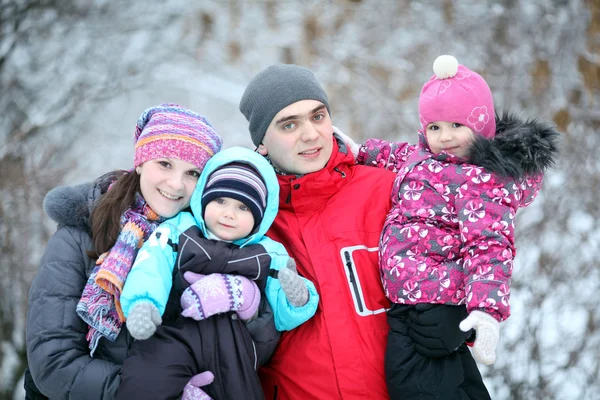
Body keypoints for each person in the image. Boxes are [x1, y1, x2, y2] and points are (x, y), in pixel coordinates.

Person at [239, 63, 463, 400]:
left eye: (318, 116)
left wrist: (454, 309)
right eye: (289, 124)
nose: (311, 134)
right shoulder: (249, 224)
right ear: (262, 143)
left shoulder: (390, 192)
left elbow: (476, 248)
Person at [25, 103, 276, 399]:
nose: (176, 184)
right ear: (141, 162)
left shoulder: (209, 244)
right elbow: (53, 362)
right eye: (165, 164)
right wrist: (161, 391)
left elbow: (251, 354)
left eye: (193, 172)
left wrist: (251, 307)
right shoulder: (79, 237)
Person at [345, 55, 559, 398]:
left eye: (457, 126)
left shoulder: (482, 182)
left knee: (412, 385)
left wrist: (486, 312)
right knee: (444, 385)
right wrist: (360, 150)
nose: (445, 137)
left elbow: (490, 247)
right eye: (435, 127)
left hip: (436, 302)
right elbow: (395, 155)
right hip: (408, 301)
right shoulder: (423, 159)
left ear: (482, 127)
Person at [115, 146, 319, 400]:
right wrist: (143, 303)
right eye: (220, 200)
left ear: (260, 216)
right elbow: (151, 264)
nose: (228, 213)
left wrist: (298, 298)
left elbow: (280, 318)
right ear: (204, 198)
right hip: (173, 333)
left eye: (243, 208)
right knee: (145, 382)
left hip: (234, 348)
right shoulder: (180, 231)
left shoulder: (268, 253)